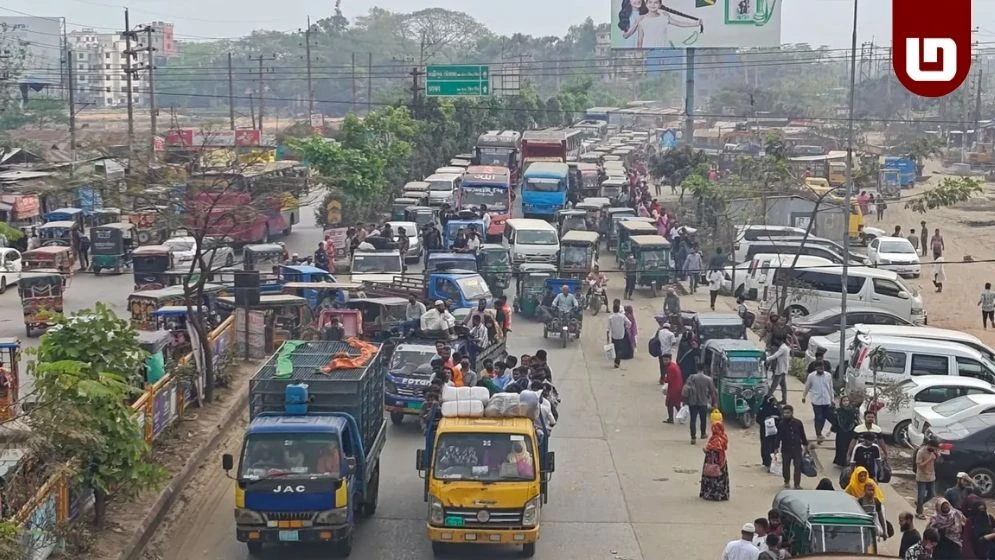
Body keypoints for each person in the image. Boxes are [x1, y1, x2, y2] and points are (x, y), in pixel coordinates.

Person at [774, 404, 810, 489]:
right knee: (786, 466)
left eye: (788, 413)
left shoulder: (798, 423)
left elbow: (802, 435)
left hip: (797, 449)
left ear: (792, 413)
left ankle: (797, 484)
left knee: (798, 467)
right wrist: (776, 448)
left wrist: (805, 446)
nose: (786, 414)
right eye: (785, 413)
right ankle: (786, 481)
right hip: (786, 449)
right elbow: (778, 436)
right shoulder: (781, 424)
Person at [802, 358, 834, 444]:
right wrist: (804, 396)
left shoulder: (828, 375)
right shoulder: (811, 376)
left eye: (822, 367)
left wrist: (832, 399)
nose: (821, 369)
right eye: (819, 367)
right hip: (816, 401)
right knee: (818, 417)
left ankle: (819, 433)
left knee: (824, 418)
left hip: (826, 400)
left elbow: (830, 388)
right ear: (815, 368)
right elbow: (807, 386)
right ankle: (818, 434)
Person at [682, 366, 717, 445]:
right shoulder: (708, 379)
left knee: (693, 420)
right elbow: (712, 392)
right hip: (703, 403)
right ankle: (703, 433)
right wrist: (714, 402)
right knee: (703, 419)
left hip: (692, 402)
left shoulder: (691, 377)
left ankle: (693, 438)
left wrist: (684, 401)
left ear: (697, 369)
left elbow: (685, 390)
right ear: (703, 369)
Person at [700, 421, 730, 501]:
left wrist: (706, 451)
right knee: (720, 476)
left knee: (711, 475)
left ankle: (710, 493)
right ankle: (721, 494)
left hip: (713, 461)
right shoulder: (723, 437)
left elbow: (714, 449)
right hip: (721, 461)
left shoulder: (715, 439)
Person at [832, 394, 859, 467]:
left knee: (849, 446)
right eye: (844, 401)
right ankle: (840, 462)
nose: (846, 402)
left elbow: (856, 420)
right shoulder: (838, 411)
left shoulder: (853, 410)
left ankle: (849, 461)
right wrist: (831, 429)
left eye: (847, 400)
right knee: (841, 447)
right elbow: (835, 422)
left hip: (850, 432)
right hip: (841, 432)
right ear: (841, 402)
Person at [915, 438, 939, 519]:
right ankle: (919, 512)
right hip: (922, 477)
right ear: (929, 445)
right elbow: (920, 466)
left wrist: (936, 456)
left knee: (932, 494)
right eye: (934, 448)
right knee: (921, 495)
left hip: (931, 476)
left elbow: (936, 461)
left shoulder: (933, 452)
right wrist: (930, 459)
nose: (934, 450)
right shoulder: (921, 452)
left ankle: (919, 503)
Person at [757, 394, 782, 470]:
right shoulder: (777, 408)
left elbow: (758, 419)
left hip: (765, 432)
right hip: (774, 431)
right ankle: (772, 462)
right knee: (773, 446)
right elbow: (781, 418)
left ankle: (768, 462)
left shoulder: (762, 408)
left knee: (766, 446)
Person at [607, 299, 632, 369]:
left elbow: (608, 329)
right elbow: (629, 323)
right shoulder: (622, 316)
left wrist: (607, 338)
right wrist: (626, 327)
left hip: (614, 336)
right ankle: (617, 362)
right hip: (621, 335)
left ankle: (616, 361)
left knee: (615, 349)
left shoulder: (610, 317)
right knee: (619, 349)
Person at [659, 352, 683, 423]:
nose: (665, 362)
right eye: (664, 360)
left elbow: (668, 379)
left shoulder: (670, 368)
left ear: (670, 359)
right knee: (676, 403)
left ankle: (671, 419)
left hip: (673, 389)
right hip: (678, 387)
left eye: (666, 360)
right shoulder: (674, 365)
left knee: (669, 404)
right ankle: (681, 417)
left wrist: (664, 380)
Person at [765, 340, 790, 404]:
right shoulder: (784, 347)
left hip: (780, 370)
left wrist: (766, 359)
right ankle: (784, 400)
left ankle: (766, 398)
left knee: (774, 385)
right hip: (782, 369)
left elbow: (775, 356)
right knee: (783, 386)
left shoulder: (783, 348)